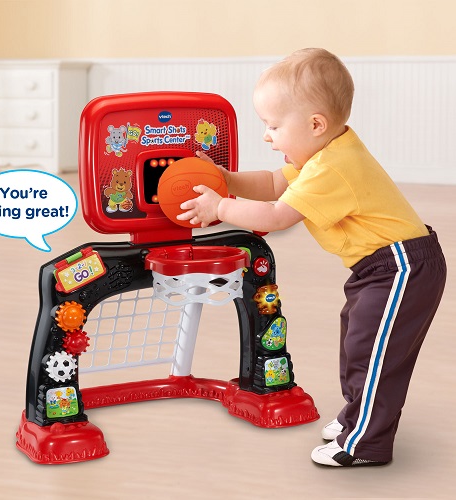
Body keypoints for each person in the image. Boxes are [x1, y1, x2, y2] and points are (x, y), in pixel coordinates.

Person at [177, 48, 447, 467]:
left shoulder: (332, 167)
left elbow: (277, 214)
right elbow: (272, 183)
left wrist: (221, 207)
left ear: (315, 124)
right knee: (358, 342)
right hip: (379, 267)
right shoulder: (322, 153)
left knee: (373, 354)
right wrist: (228, 180)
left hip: (401, 267)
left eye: (273, 126)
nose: (267, 136)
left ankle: (365, 443)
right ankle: (359, 417)